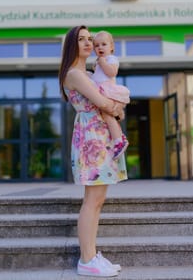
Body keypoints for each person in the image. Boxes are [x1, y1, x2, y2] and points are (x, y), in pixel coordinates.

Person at [59, 25, 128, 277]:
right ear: (71, 44)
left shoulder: (88, 72)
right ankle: (86, 260)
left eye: (90, 39)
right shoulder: (75, 74)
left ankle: (92, 254)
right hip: (92, 137)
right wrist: (118, 108)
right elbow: (102, 103)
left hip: (100, 134)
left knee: (97, 201)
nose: (88, 43)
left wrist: (114, 109)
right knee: (92, 201)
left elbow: (107, 103)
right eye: (82, 39)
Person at [92, 31, 130, 160]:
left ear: (112, 47)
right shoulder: (98, 62)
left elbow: (112, 72)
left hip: (107, 90)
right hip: (100, 90)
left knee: (108, 116)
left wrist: (102, 62)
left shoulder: (111, 59)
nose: (100, 47)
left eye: (104, 44)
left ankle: (119, 141)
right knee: (105, 117)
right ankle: (117, 135)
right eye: (96, 46)